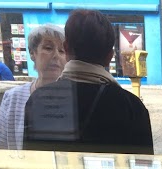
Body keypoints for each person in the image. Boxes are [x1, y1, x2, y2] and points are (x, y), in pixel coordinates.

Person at [24, 9, 153, 154]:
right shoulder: (132, 107)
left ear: (66, 48)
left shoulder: (39, 99)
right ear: (110, 56)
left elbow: (32, 160)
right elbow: (144, 164)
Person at [0, 25, 65, 150]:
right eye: (48, 48)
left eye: (62, 50)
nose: (56, 55)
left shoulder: (75, 96)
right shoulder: (13, 98)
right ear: (32, 53)